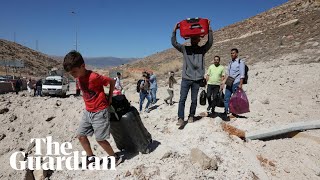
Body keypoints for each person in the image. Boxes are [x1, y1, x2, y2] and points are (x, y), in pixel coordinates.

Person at [63, 50, 122, 167]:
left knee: (100, 139)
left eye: (74, 71)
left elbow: (111, 81)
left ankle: (115, 157)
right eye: (70, 73)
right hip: (88, 111)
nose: (73, 75)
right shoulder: (79, 77)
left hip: (100, 111)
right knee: (81, 136)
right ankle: (91, 158)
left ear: (83, 66)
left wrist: (110, 98)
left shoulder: (94, 77)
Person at [171, 20, 213, 125]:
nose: (194, 40)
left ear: (199, 39)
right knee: (182, 99)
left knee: (194, 100)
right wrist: (174, 31)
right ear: (190, 39)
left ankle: (191, 116)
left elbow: (210, 42)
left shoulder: (202, 49)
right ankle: (180, 118)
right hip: (186, 78)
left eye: (196, 38)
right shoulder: (185, 49)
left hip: (197, 79)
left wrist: (209, 28)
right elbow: (174, 43)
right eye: (192, 38)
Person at [222, 48, 246, 118]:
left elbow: (242, 74)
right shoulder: (230, 62)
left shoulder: (240, 62)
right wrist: (223, 82)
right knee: (226, 97)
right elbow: (228, 74)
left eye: (233, 53)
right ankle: (227, 111)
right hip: (229, 82)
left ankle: (234, 113)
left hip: (236, 82)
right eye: (231, 53)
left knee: (235, 99)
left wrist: (240, 84)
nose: (232, 54)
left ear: (237, 54)